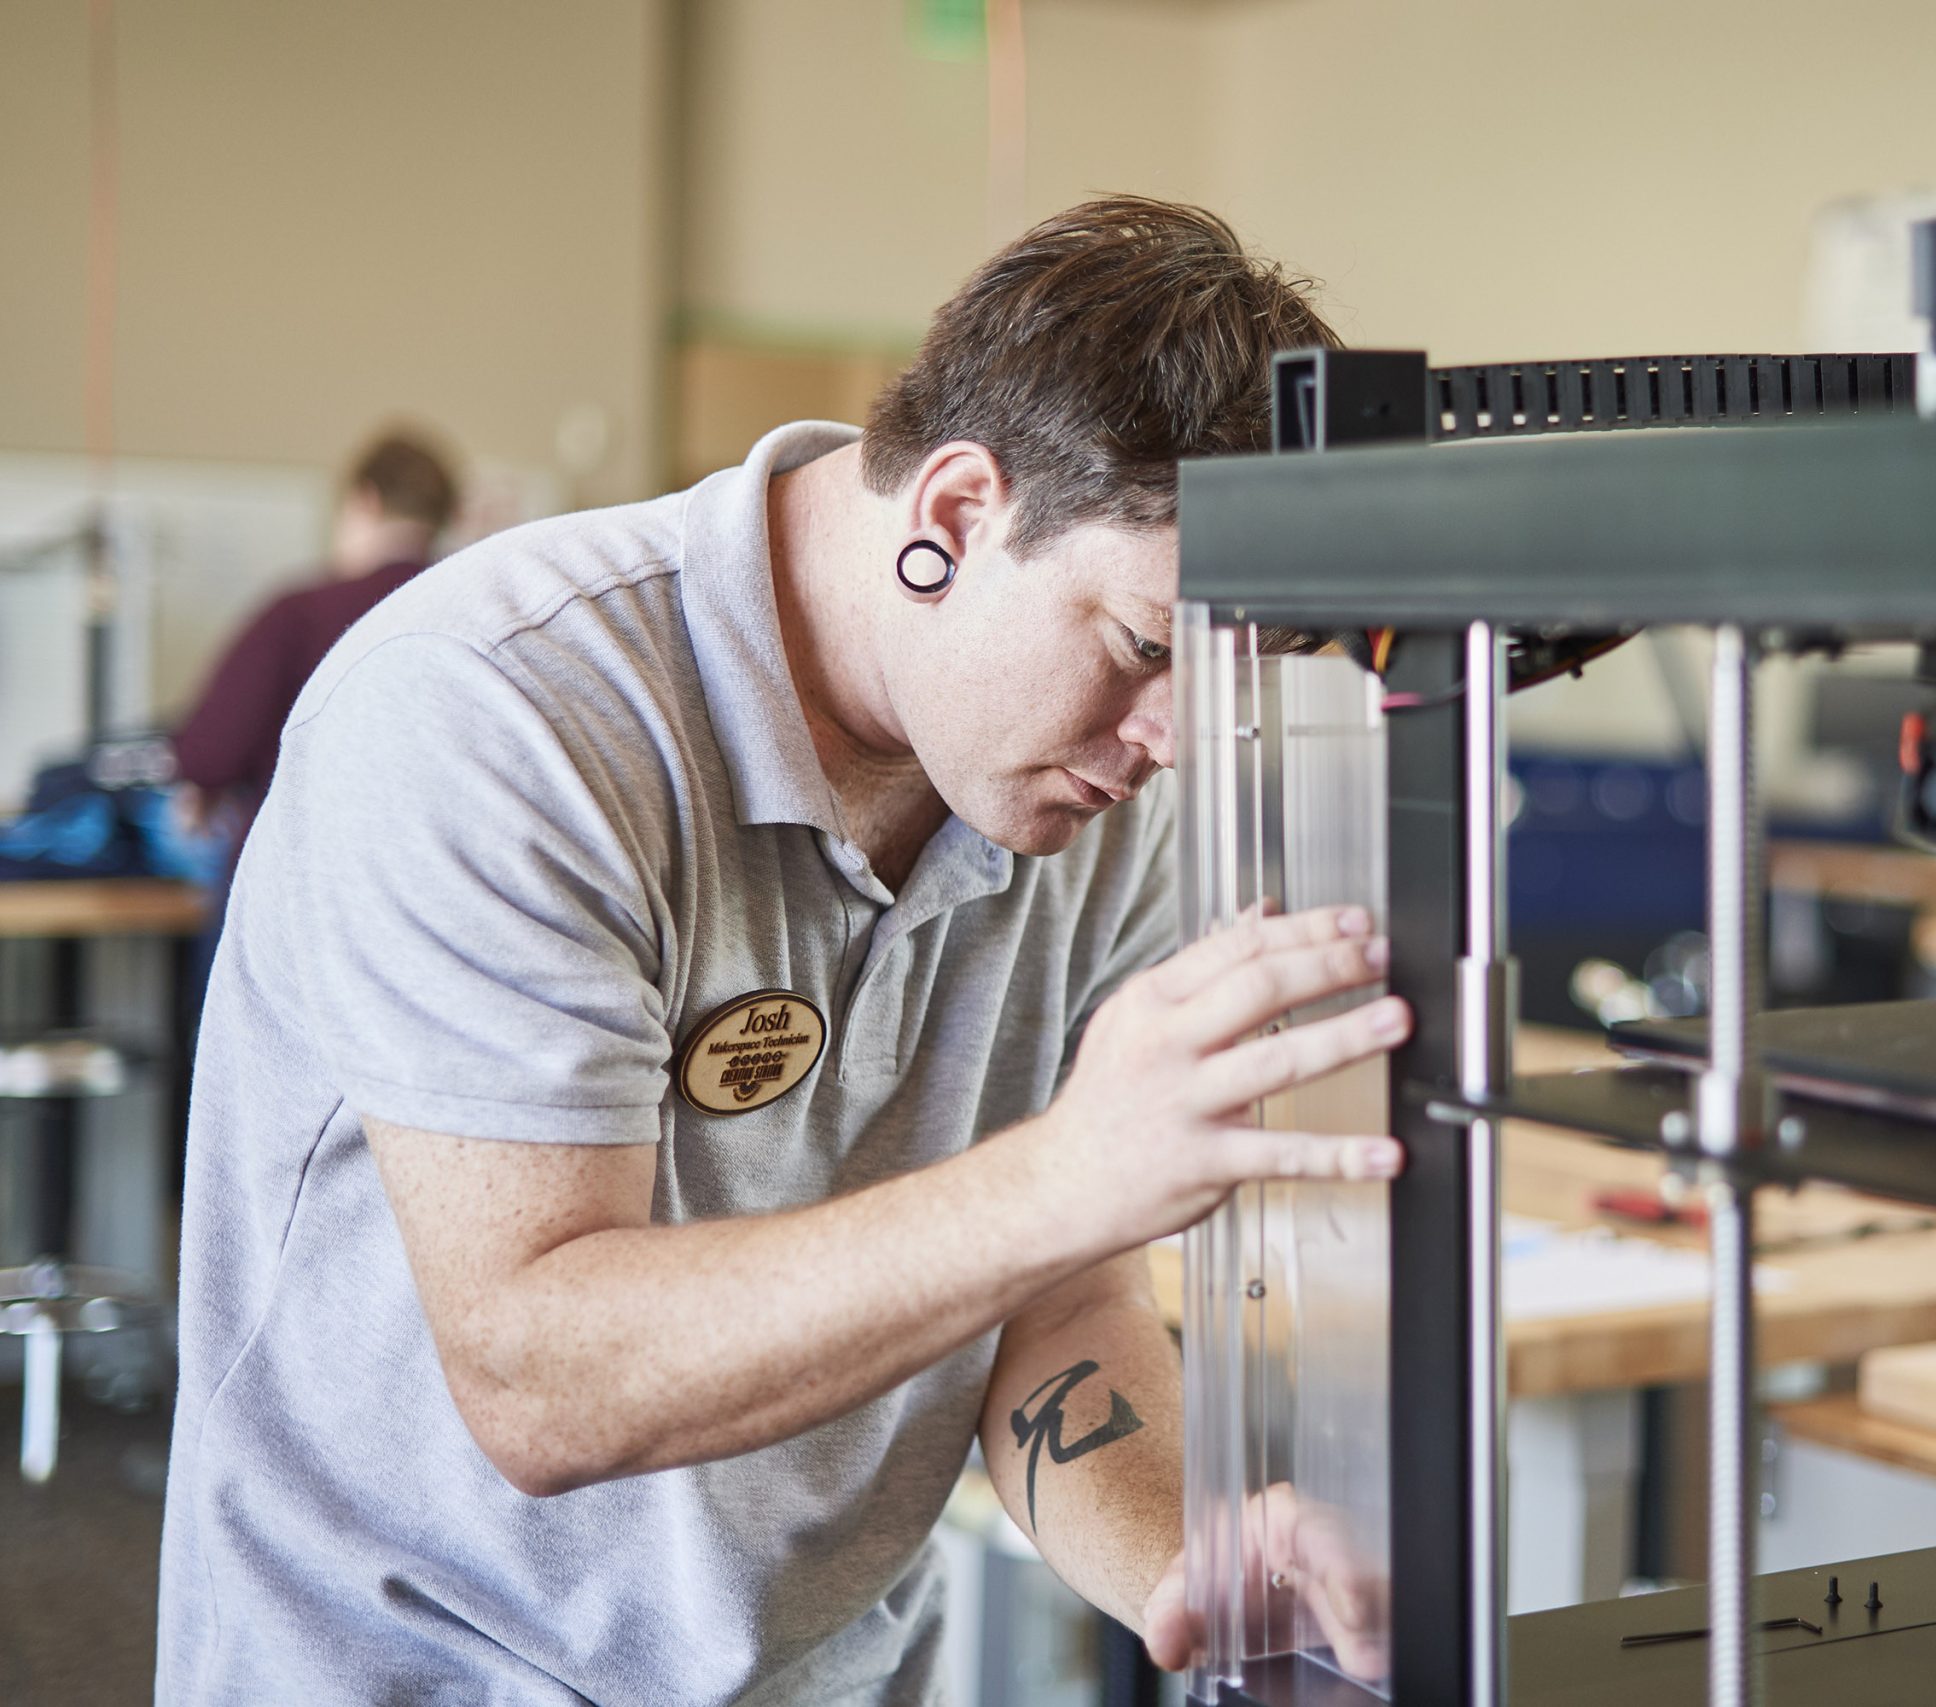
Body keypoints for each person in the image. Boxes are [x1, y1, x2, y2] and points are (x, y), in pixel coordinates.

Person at [157, 198, 1404, 1706]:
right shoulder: (494, 710)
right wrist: (1073, 1168)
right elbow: (539, 1372)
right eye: (1147, 647)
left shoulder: (1090, 799)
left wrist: (1173, 1559)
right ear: (954, 514)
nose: (1175, 741)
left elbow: (1058, 1306)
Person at [170, 428, 459, 868]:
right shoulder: (470, 613)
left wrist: (204, 789)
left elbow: (209, 755)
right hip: (437, 876)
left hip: (304, 879)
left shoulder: (299, 615)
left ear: (366, 500)